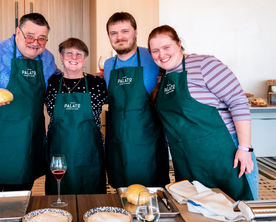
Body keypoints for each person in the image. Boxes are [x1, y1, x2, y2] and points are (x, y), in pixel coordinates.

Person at [148, 25, 259, 200]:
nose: (161, 55)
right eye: (155, 51)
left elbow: (238, 101)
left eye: (166, 47)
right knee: (197, 214)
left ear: (178, 44)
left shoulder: (204, 64)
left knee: (239, 211)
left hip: (224, 156)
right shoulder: (163, 79)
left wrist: (245, 148)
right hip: (188, 162)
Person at [0, 13, 59, 193]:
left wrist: (92, 80)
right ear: (17, 32)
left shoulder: (47, 59)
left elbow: (60, 84)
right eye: (30, 36)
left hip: (26, 145)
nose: (35, 43)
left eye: (42, 38)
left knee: (19, 202)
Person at [103, 12, 170, 188]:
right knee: (122, 198)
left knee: (152, 202)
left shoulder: (154, 56)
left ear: (136, 32)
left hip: (149, 145)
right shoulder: (109, 65)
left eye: (125, 31)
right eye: (114, 33)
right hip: (118, 146)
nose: (120, 37)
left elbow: (178, 64)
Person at [45, 38, 107, 194]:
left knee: (92, 202)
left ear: (85, 59)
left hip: (90, 157)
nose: (74, 58)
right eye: (69, 53)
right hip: (59, 157)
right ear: (61, 56)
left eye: (79, 54)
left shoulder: (96, 83)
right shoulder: (51, 83)